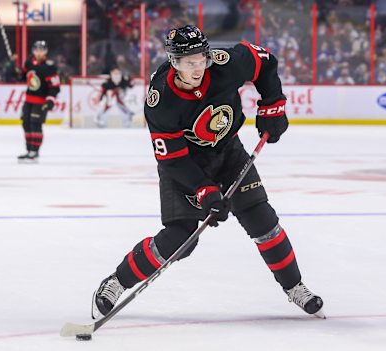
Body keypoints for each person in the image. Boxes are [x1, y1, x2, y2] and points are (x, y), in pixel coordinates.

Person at [91, 25, 324, 319]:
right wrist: (204, 189)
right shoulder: (161, 100)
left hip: (229, 152)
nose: (198, 67)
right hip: (186, 163)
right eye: (190, 63)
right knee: (182, 238)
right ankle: (116, 282)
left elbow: (265, 62)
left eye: (201, 59)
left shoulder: (226, 64)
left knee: (262, 219)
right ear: (174, 62)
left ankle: (295, 288)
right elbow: (173, 158)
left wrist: (272, 106)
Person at [17, 41, 60, 163]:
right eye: (36, 49)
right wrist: (19, 74)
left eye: (41, 50)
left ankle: (35, 152)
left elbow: (55, 87)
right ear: (33, 51)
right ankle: (29, 150)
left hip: (41, 101)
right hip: (29, 99)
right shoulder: (29, 61)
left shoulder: (49, 67)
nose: (39, 52)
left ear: (45, 51)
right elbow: (25, 74)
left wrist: (50, 100)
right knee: (26, 123)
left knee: (35, 124)